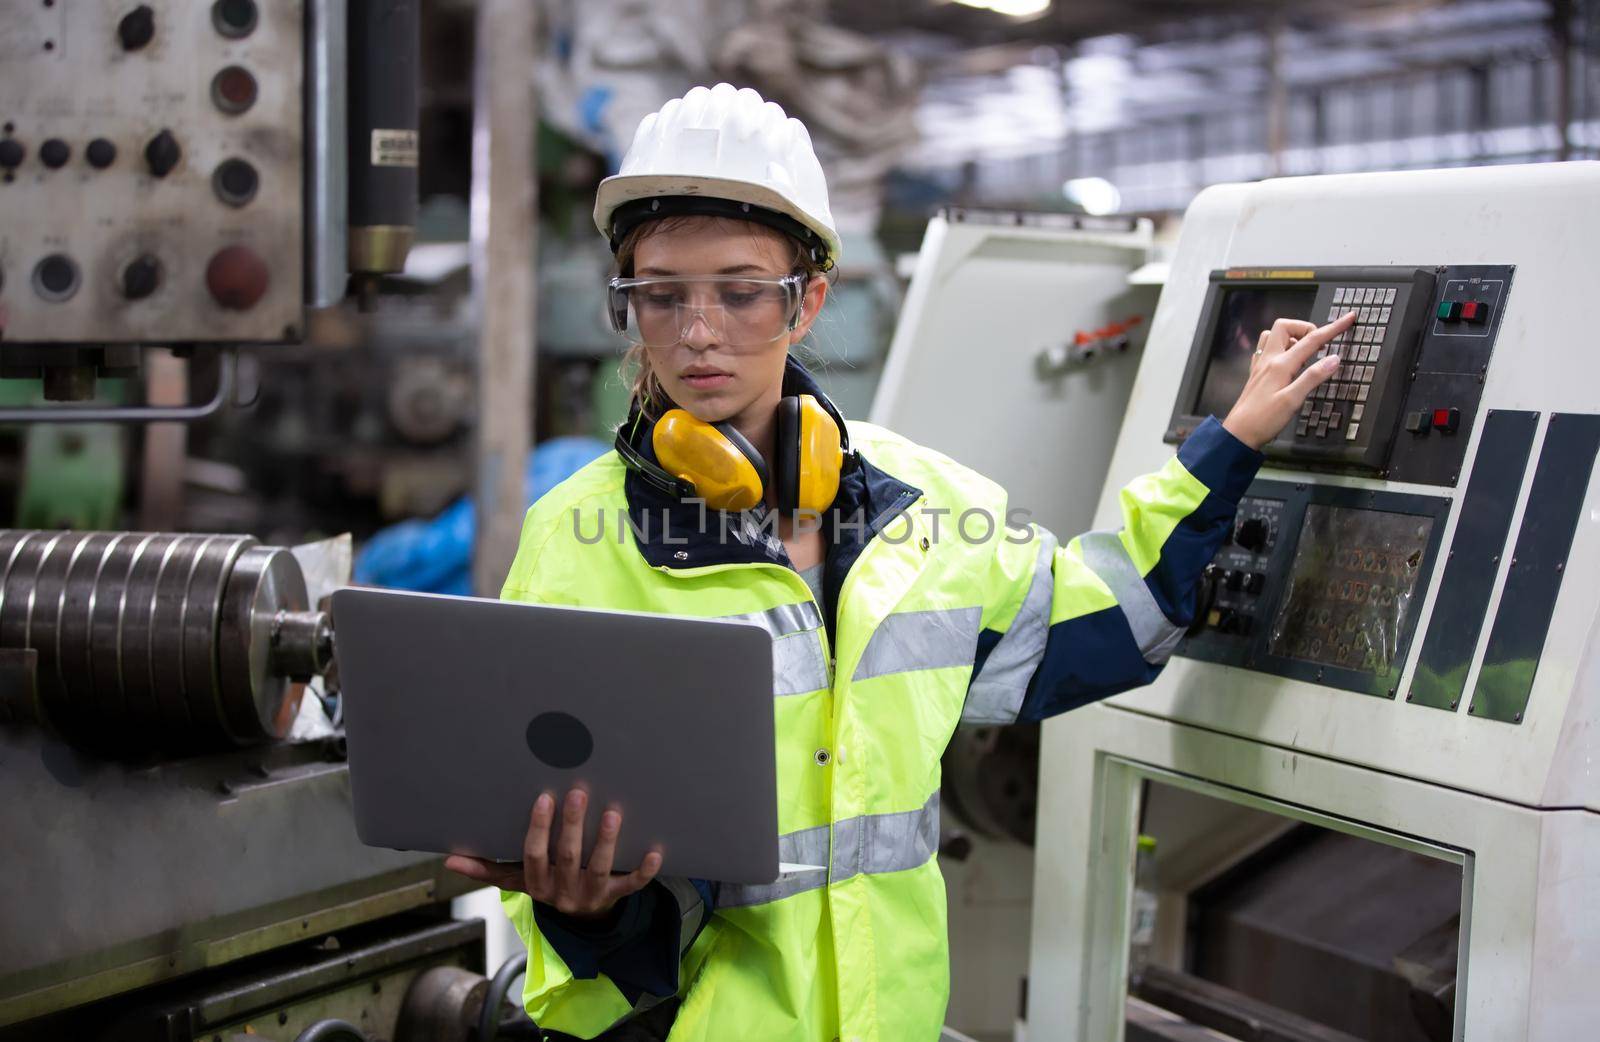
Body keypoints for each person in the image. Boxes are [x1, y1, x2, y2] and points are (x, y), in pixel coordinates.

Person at [444, 82, 1352, 1042]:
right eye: (661, 296)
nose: (699, 331)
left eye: (743, 292)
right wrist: (585, 907)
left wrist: (1232, 441)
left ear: (808, 301)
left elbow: (1109, 620)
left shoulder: (928, 509)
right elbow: (542, 832)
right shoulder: (574, 539)